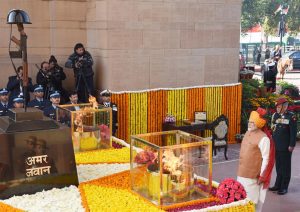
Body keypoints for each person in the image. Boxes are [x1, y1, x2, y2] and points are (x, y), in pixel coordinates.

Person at [237, 108, 275, 212]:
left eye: (252, 122)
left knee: (251, 203)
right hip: (241, 174)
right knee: (240, 201)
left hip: (253, 178)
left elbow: (266, 159)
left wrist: (262, 176)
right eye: (249, 121)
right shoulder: (247, 133)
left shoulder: (264, 138)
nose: (249, 124)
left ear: (259, 124)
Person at [269, 97, 297, 195]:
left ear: (285, 107)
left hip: (286, 146)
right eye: (277, 106)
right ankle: (277, 185)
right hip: (277, 145)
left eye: (279, 106)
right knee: (279, 166)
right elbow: (273, 130)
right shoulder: (275, 116)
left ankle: (284, 187)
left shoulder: (291, 116)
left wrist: (292, 145)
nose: (277, 108)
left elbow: (293, 132)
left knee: (285, 167)